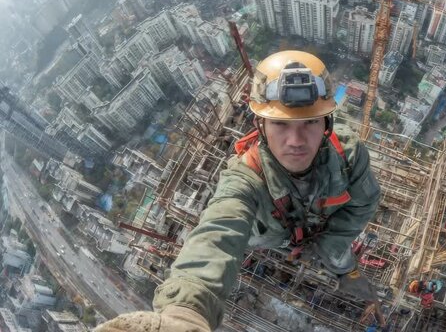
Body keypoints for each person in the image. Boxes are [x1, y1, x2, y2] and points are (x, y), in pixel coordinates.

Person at [97, 50, 381, 331]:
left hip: (326, 232)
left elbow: (363, 205)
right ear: (261, 125)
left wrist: (331, 247)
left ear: (327, 123)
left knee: (341, 259)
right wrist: (186, 311)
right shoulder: (245, 178)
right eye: (280, 124)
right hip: (275, 240)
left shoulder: (348, 157)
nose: (296, 140)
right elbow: (219, 232)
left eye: (310, 122)